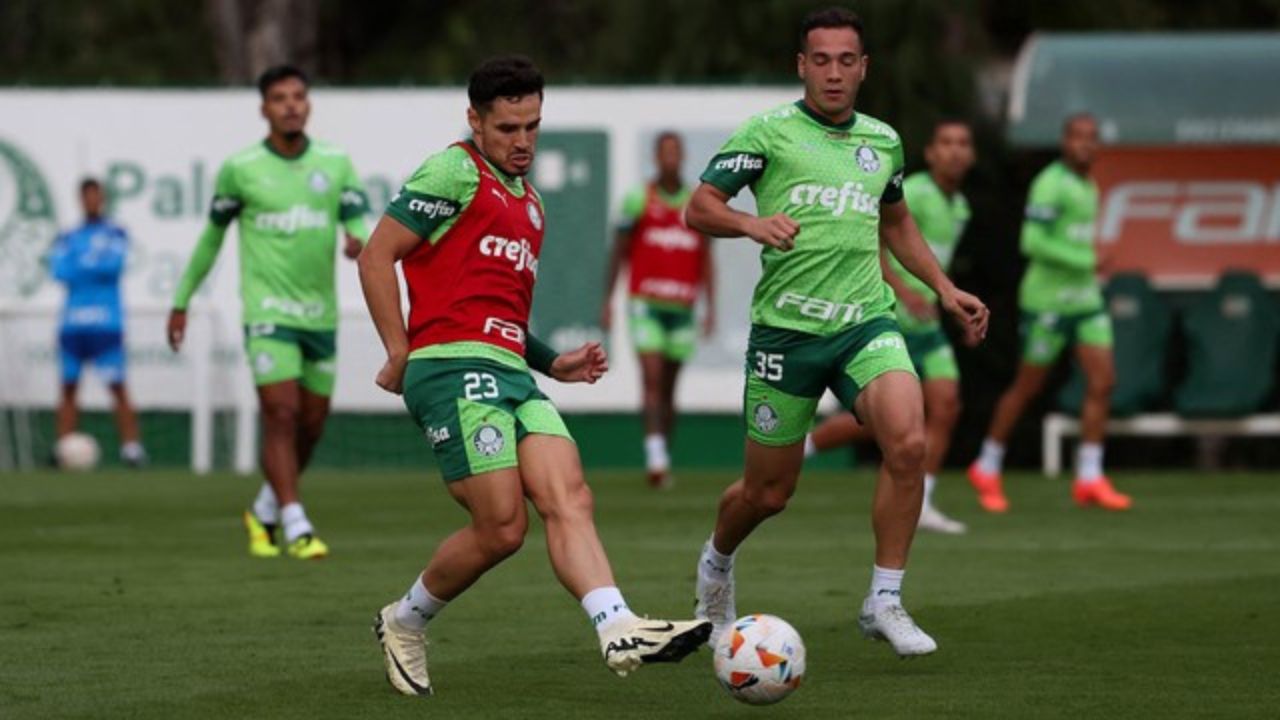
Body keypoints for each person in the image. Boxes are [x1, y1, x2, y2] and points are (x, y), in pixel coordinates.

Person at [358, 55, 710, 697]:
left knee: (569, 494)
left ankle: (617, 624)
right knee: (501, 527)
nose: (522, 142)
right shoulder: (453, 170)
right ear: (475, 121)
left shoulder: (532, 204)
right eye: (507, 128)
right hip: (450, 369)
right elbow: (377, 255)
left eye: (532, 127)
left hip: (512, 374)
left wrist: (553, 362)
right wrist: (397, 348)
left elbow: (499, 312)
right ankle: (402, 622)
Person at [684, 8, 989, 657]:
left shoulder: (883, 141)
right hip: (785, 337)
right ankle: (715, 563)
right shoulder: (768, 132)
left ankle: (885, 598)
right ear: (801, 66)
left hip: (864, 324)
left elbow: (897, 223)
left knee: (908, 440)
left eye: (845, 60)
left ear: (863, 68)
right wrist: (751, 225)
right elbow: (700, 205)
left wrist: (943, 287)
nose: (833, 72)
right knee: (768, 494)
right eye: (819, 60)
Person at [167, 65, 370, 559]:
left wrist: (358, 238)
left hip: (319, 315)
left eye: (298, 96)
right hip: (267, 313)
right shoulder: (240, 169)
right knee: (280, 414)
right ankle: (297, 524)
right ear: (264, 109)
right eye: (279, 98)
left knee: (312, 425)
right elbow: (212, 239)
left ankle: (264, 509)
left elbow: (357, 218)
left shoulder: (335, 162)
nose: (291, 105)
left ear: (309, 103)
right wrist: (181, 301)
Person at [803, 119, 979, 535]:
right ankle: (803, 447)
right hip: (887, 318)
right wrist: (903, 289)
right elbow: (875, 240)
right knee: (890, 419)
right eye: (946, 142)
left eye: (963, 144)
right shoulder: (913, 190)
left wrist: (949, 302)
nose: (955, 151)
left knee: (947, 405)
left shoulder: (960, 206)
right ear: (932, 152)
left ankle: (925, 501)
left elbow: (935, 263)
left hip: (928, 324)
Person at [967, 113, 1131, 513]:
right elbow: (1032, 241)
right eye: (1079, 137)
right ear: (1064, 141)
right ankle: (987, 465)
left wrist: (1085, 265)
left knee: (1103, 381)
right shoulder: (1050, 183)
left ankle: (1090, 476)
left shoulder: (1088, 184)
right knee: (1027, 387)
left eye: (1092, 138)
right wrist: (1085, 258)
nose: (1086, 145)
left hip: (1085, 302)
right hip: (1048, 303)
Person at [600, 131, 715, 488]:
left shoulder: (696, 203)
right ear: (656, 157)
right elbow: (618, 250)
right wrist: (608, 299)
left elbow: (706, 258)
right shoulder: (639, 199)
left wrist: (710, 306)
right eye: (664, 152)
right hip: (645, 303)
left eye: (675, 152)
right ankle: (654, 455)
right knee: (650, 378)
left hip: (682, 305)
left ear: (681, 157)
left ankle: (663, 451)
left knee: (669, 386)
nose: (670, 158)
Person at [50, 178, 147, 467]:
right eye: (86, 196)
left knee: (117, 386)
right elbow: (59, 272)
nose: (91, 201)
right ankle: (63, 448)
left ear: (102, 199)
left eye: (96, 196)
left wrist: (82, 265)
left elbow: (112, 266)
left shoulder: (116, 233)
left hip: (106, 322)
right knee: (68, 387)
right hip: (72, 323)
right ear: (80, 200)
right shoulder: (68, 236)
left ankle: (132, 449)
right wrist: (90, 265)